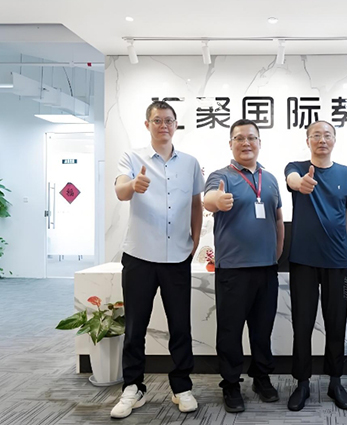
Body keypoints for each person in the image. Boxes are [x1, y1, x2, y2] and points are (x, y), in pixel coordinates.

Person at [111, 100, 204, 419]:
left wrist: (194, 240)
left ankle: (181, 386)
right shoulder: (132, 157)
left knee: (180, 325)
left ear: (176, 125)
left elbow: (196, 204)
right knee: (135, 326)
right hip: (139, 255)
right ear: (147, 124)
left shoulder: (190, 163)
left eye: (169, 120)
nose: (163, 125)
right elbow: (120, 191)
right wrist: (133, 185)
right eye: (157, 120)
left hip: (177, 256)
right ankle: (132, 387)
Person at [203, 119, 284, 413]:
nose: (246, 143)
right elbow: (208, 200)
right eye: (239, 138)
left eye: (251, 137)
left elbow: (277, 219)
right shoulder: (220, 176)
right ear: (231, 144)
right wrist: (218, 200)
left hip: (266, 268)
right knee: (230, 331)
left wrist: (275, 255)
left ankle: (261, 377)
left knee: (262, 330)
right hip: (233, 270)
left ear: (259, 142)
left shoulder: (270, 179)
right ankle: (230, 383)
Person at [284, 120, 347, 411]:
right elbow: (292, 179)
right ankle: (302, 383)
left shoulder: (346, 173)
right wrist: (300, 183)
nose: (322, 140)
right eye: (316, 135)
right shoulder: (297, 167)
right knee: (302, 324)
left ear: (334, 140)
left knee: (336, 323)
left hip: (337, 261)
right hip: (303, 260)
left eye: (327, 135)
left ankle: (335, 381)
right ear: (308, 141)